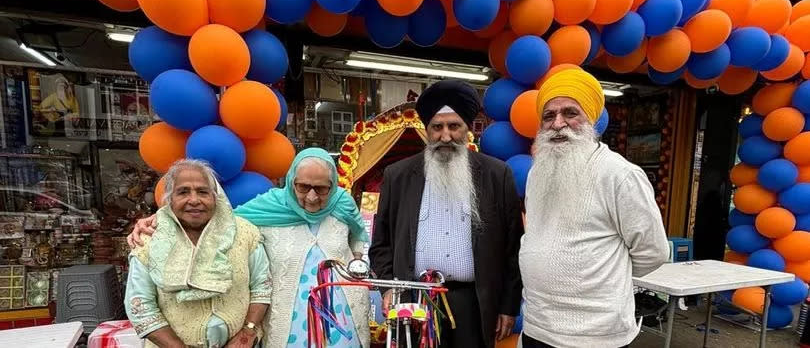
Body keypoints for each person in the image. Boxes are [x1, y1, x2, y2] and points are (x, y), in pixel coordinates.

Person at [129, 148, 370, 347]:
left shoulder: (343, 204)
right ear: (291, 182)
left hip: (342, 319)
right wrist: (158, 219)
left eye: (322, 188)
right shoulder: (266, 209)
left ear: (333, 185)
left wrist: (359, 260)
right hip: (290, 323)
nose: (312, 197)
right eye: (303, 187)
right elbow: (216, 216)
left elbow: (361, 236)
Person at [520, 69, 669, 348]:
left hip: (595, 335)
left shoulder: (620, 174)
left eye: (570, 113)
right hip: (538, 327)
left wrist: (602, 275)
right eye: (549, 116)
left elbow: (653, 252)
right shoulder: (537, 172)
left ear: (590, 117)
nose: (558, 123)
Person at [369, 79, 524, 348]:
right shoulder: (399, 175)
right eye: (437, 127)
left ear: (467, 128)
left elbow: (513, 248)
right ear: (426, 129)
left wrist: (508, 306)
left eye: (454, 126)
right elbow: (381, 243)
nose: (445, 136)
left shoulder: (497, 175)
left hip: (474, 303)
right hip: (413, 300)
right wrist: (387, 288)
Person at [124, 159, 271, 348]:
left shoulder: (244, 232)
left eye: (202, 191)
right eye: (183, 192)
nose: (194, 200)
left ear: (214, 196)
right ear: (169, 199)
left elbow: (262, 286)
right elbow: (140, 306)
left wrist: (247, 333)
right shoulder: (149, 240)